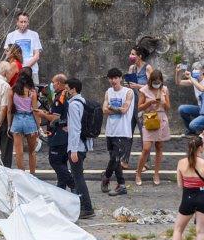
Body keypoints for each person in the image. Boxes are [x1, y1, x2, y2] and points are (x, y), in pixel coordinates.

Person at [164, 132, 204, 240]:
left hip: (187, 197)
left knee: (178, 229)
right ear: (200, 148)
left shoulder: (181, 163)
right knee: (201, 232)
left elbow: (180, 185)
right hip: (202, 197)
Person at [63, 77, 95, 218]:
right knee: (78, 176)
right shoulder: (82, 102)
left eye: (67, 88)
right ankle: (83, 206)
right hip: (82, 145)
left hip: (77, 147)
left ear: (73, 89)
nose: (66, 90)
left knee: (78, 178)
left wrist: (74, 150)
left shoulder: (74, 105)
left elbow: (76, 128)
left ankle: (87, 208)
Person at [102, 67, 135, 196]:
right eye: (111, 78)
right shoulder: (108, 92)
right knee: (114, 160)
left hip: (123, 131)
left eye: (116, 78)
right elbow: (104, 110)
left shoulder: (128, 92)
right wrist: (114, 108)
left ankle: (106, 177)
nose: (113, 80)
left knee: (115, 158)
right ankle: (121, 185)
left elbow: (124, 110)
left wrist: (111, 107)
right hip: (110, 131)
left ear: (120, 78)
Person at [137, 68, 171, 185]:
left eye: (158, 82)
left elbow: (168, 107)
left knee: (159, 147)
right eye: (154, 82)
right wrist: (149, 103)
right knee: (146, 148)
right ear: (150, 81)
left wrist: (163, 102)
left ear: (161, 81)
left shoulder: (164, 89)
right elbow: (139, 107)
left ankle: (156, 174)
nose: (157, 84)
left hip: (161, 118)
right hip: (149, 118)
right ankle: (138, 173)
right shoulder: (144, 90)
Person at [42, 73, 73, 190]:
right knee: (62, 163)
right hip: (63, 134)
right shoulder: (66, 95)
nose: (52, 84)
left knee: (55, 161)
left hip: (58, 135)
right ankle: (61, 188)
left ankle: (73, 183)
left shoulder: (60, 98)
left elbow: (55, 118)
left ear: (59, 83)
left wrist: (42, 114)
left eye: (53, 82)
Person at [9, 74, 41, 173]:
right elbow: (35, 111)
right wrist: (38, 126)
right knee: (32, 151)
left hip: (17, 120)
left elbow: (9, 110)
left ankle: (22, 175)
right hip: (29, 120)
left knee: (19, 152)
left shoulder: (12, 91)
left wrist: (9, 125)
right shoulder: (32, 92)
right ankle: (32, 175)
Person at [3, 11, 42, 85]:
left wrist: (24, 67)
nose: (23, 24)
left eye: (25, 22)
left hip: (32, 70)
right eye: (21, 22)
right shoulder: (11, 35)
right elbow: (7, 54)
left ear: (28, 22)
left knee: (33, 91)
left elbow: (36, 56)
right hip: (16, 70)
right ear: (17, 22)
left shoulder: (34, 34)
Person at [176, 62, 204, 134]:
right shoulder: (194, 80)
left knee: (193, 125)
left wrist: (191, 78)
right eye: (194, 69)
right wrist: (178, 72)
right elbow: (178, 82)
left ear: (203, 71)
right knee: (182, 109)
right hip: (200, 109)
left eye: (197, 69)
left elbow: (202, 89)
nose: (195, 71)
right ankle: (191, 131)